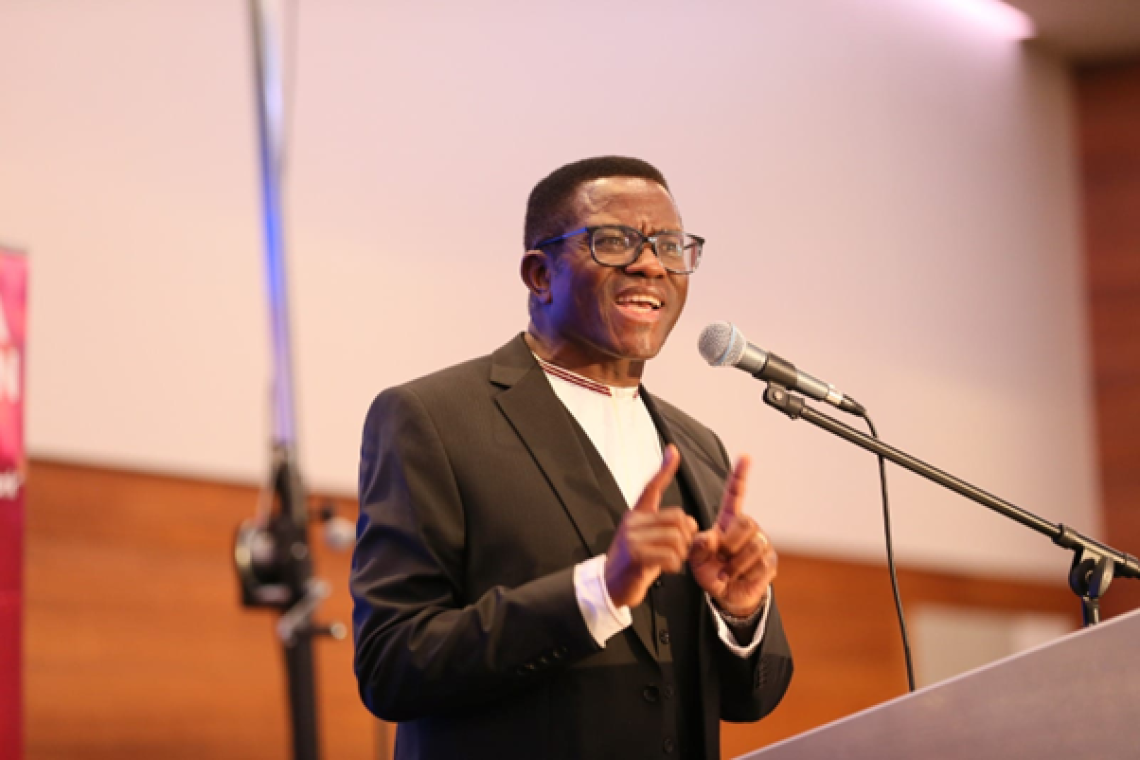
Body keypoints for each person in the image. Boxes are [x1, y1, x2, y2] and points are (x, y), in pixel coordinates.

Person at [352, 156, 793, 759]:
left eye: (668, 244)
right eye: (614, 241)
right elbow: (390, 664)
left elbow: (750, 701)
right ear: (540, 274)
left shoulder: (698, 447)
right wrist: (598, 591)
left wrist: (742, 613)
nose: (649, 263)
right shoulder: (432, 418)